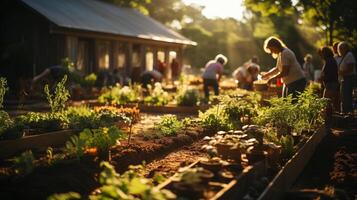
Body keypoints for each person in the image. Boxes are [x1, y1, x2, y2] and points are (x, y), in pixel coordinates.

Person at [319, 47, 339, 111]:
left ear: (325, 53)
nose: (321, 55)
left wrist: (322, 78)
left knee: (326, 102)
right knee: (332, 102)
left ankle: (329, 118)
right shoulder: (331, 60)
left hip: (331, 84)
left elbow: (330, 74)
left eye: (322, 53)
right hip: (332, 83)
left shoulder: (329, 61)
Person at [338, 41, 356, 114]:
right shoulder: (345, 56)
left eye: (342, 48)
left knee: (346, 96)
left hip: (349, 78)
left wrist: (341, 72)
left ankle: (348, 113)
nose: (340, 50)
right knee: (344, 96)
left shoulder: (349, 55)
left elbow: (350, 68)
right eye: (340, 48)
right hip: (345, 78)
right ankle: (347, 113)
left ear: (346, 48)